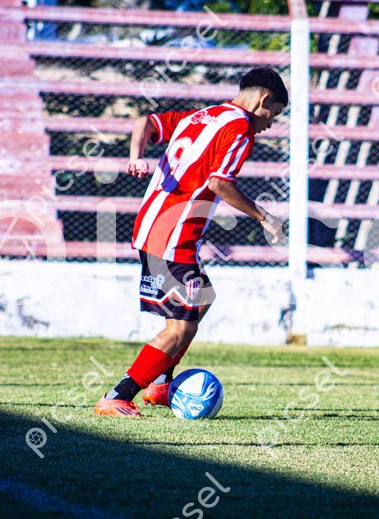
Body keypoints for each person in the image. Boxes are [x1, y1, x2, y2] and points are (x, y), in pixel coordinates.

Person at [94, 67, 288, 417]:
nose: (270, 124)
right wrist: (264, 217)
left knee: (200, 300)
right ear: (263, 99)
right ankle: (118, 395)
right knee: (181, 325)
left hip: (155, 224)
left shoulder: (203, 116)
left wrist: (136, 156)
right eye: (273, 114)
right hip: (173, 234)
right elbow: (219, 183)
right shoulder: (241, 127)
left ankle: (160, 383)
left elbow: (145, 122)